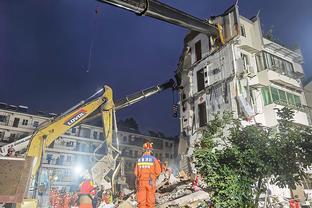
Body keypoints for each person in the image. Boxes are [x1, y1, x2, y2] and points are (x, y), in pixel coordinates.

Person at [134, 142, 161, 208]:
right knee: (150, 201)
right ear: (151, 150)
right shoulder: (154, 159)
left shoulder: (139, 160)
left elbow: (136, 173)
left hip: (141, 182)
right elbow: (158, 171)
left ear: (143, 150)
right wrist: (153, 176)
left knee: (142, 202)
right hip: (150, 182)